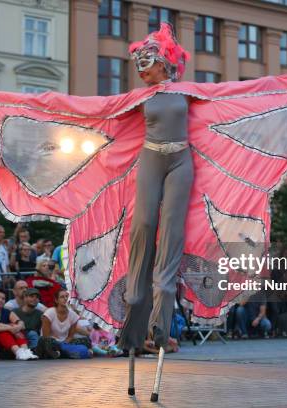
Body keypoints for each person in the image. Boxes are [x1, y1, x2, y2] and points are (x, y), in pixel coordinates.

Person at [117, 23, 192, 351]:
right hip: (151, 157)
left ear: (163, 62)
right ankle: (134, 298)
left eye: (146, 64)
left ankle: (161, 325)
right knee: (144, 224)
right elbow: (99, 111)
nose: (141, 72)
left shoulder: (188, 92)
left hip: (181, 160)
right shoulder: (139, 97)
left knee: (172, 234)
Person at [0, 288, 38, 360]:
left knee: (17, 329)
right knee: (3, 330)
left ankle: (25, 351)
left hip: (4, 341)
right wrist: (10, 327)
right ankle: (18, 352)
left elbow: (22, 324)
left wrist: (16, 327)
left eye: (3, 299)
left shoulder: (7, 312)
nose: (0, 300)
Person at [41, 288, 92, 359]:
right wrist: (59, 343)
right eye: (62, 297)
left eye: (67, 297)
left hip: (65, 342)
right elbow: (46, 336)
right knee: (47, 342)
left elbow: (70, 336)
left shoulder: (73, 315)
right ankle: (68, 353)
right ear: (56, 300)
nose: (65, 299)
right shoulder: (49, 313)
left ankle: (60, 354)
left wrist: (64, 343)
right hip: (51, 342)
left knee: (85, 340)